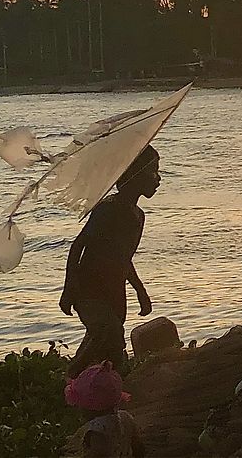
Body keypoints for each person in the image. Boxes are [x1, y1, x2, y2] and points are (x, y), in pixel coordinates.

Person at [61, 146, 159, 378]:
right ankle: (71, 379)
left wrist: (140, 291)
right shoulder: (108, 209)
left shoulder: (138, 216)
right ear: (135, 175)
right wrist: (69, 289)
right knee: (108, 332)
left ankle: (101, 393)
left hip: (114, 291)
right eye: (153, 172)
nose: (158, 178)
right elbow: (78, 247)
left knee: (109, 348)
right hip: (90, 290)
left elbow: (124, 258)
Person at [65, 361, 145, 457]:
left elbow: (98, 454)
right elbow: (138, 447)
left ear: (90, 407)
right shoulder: (126, 417)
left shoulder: (96, 430)